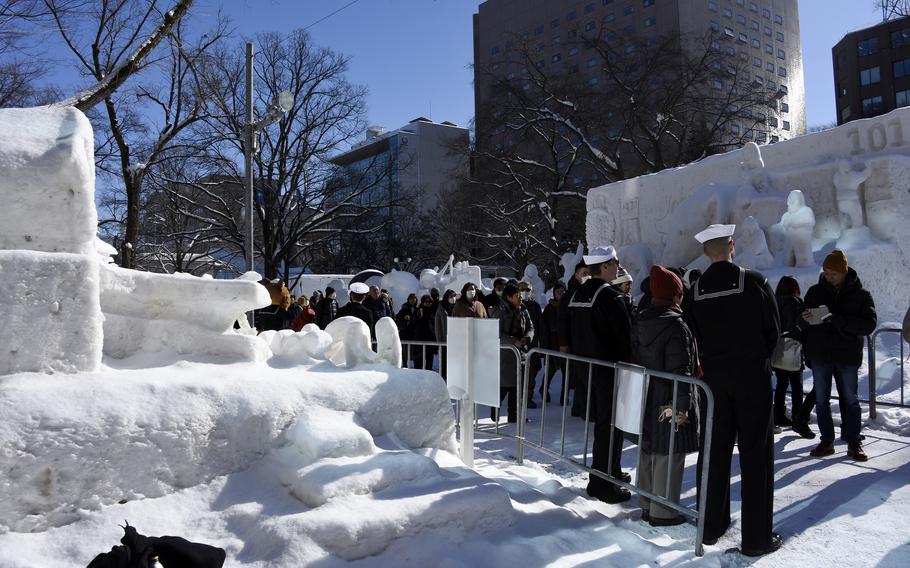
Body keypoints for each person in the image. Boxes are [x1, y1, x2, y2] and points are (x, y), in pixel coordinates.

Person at [689, 223, 781, 556]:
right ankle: (756, 539)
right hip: (751, 378)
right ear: (731, 247)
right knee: (756, 455)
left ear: (704, 253)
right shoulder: (754, 282)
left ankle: (711, 526)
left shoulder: (695, 291)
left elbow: (694, 335)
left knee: (713, 452)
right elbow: (774, 330)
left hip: (714, 380)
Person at [632, 265, 700, 527]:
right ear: (675, 295)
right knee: (670, 453)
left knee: (649, 447)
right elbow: (681, 369)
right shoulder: (676, 325)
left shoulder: (641, 320)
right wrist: (683, 406)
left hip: (648, 393)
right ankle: (664, 511)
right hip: (669, 395)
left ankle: (647, 504)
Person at [567, 246, 632, 504]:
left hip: (587, 369)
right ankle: (602, 483)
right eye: (615, 263)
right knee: (609, 426)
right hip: (609, 370)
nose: (618, 267)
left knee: (606, 425)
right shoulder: (610, 297)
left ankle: (610, 472)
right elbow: (625, 338)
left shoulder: (579, 292)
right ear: (604, 266)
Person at [801, 249, 877, 461]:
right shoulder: (815, 292)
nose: (829, 276)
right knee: (822, 400)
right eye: (826, 272)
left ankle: (853, 441)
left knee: (851, 399)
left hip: (847, 356)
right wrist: (805, 319)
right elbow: (800, 322)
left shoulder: (862, 295)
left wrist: (839, 321)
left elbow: (869, 324)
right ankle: (826, 441)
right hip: (820, 354)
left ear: (844, 272)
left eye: (833, 273)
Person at [489, 283, 534, 423]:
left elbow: (530, 327)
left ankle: (514, 416)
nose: (520, 297)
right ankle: (494, 411)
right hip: (505, 354)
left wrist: (527, 337)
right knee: (503, 386)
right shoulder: (499, 311)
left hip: (520, 353)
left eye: (520, 295)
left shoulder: (523, 309)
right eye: (517, 296)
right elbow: (496, 333)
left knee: (517, 387)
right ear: (508, 297)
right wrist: (512, 340)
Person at [558, 261, 591, 417]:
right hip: (574, 341)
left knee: (581, 378)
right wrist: (564, 343)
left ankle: (579, 407)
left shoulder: (585, 291)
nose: (587, 277)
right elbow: (562, 320)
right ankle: (581, 409)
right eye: (584, 273)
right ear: (576, 274)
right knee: (580, 377)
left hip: (581, 340)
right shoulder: (570, 293)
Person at [772, 276, 805, 429]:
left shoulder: (774, 302)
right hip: (793, 349)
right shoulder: (795, 303)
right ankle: (799, 416)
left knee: (781, 385)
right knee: (797, 386)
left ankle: (779, 414)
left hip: (778, 350)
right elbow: (796, 325)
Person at [538, 282, 567, 403]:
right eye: (558, 292)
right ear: (554, 293)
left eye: (562, 291)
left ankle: (563, 396)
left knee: (567, 372)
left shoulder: (568, 306)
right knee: (550, 371)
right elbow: (544, 328)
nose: (560, 294)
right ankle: (543, 390)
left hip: (565, 344)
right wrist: (545, 346)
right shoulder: (549, 308)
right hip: (552, 344)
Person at [519, 281, 543, 408]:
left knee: (532, 372)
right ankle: (520, 396)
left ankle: (528, 396)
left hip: (532, 346)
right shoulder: (516, 305)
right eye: (522, 289)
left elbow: (541, 327)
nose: (525, 292)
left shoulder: (535, 306)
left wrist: (542, 346)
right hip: (518, 346)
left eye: (527, 289)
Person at [434, 289, 457, 379]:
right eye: (451, 296)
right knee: (445, 363)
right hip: (445, 341)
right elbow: (438, 327)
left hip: (456, 341)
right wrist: (440, 342)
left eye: (454, 296)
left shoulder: (458, 307)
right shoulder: (441, 310)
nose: (453, 298)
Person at [411, 294, 438, 369]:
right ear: (422, 302)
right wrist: (418, 315)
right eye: (426, 301)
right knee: (418, 364)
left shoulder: (433, 312)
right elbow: (413, 322)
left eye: (430, 302)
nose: (428, 303)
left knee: (429, 365)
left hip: (430, 342)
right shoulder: (418, 311)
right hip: (419, 342)